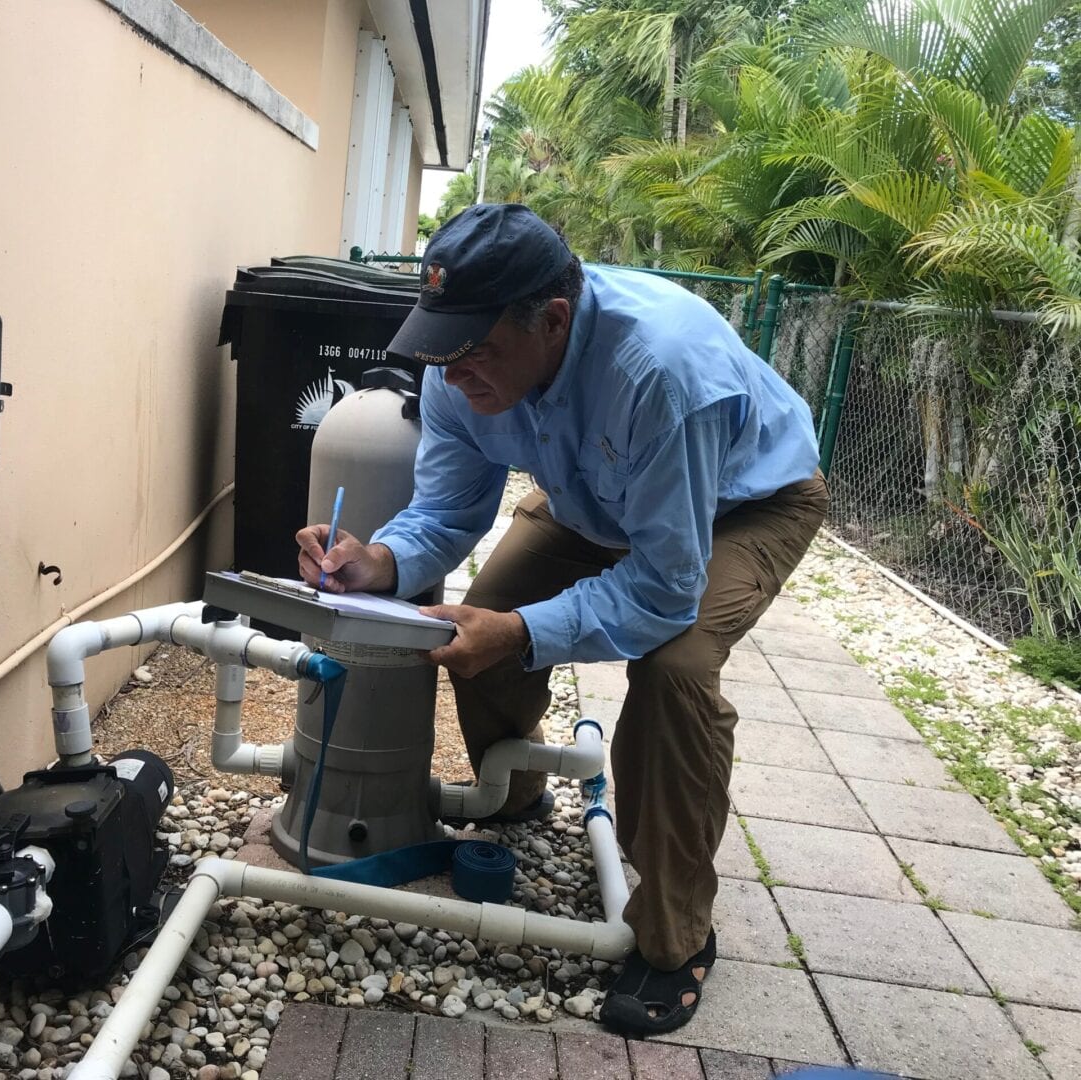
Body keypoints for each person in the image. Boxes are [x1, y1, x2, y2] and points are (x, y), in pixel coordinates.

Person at [295, 204, 828, 1036]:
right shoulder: (455, 366)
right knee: (484, 613)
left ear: (551, 320)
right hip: (595, 500)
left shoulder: (661, 372)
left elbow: (661, 589)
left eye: (475, 351)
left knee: (675, 667)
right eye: (441, 345)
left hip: (741, 505)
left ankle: (677, 935)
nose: (451, 371)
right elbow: (444, 506)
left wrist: (521, 633)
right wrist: (383, 561)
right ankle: (515, 794)